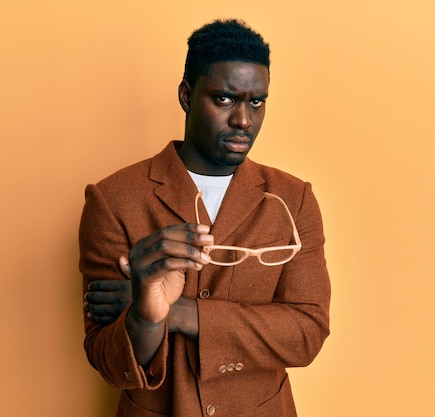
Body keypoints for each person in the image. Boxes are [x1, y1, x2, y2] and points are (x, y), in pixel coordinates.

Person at [79, 19, 331, 417]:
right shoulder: (113, 199)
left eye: (257, 102)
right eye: (225, 99)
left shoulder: (293, 198)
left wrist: (179, 313)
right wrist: (146, 313)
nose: (244, 121)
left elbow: (307, 333)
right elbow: (108, 362)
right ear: (186, 95)